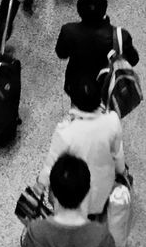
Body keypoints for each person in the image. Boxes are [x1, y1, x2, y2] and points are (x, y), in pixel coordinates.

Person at [36, 73, 126, 217]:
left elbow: (50, 165)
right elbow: (118, 154)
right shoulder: (112, 121)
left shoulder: (66, 132)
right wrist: (122, 172)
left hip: (75, 193)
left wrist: (39, 186)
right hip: (103, 189)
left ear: (74, 102)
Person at [55, 0, 139, 100]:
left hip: (77, 87)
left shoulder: (68, 31)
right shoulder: (120, 36)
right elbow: (133, 60)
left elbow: (62, 54)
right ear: (104, 9)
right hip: (107, 88)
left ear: (80, 11)